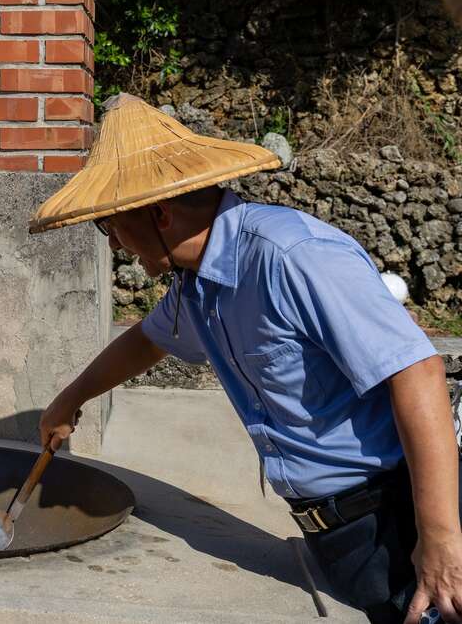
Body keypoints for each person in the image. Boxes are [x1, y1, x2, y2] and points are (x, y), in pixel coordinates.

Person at [31, 94, 462, 624]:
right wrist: (70, 399)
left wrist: (441, 540)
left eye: (111, 225)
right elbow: (147, 340)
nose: (116, 245)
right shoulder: (196, 286)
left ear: (160, 213)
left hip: (400, 515)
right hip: (341, 536)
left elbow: (417, 370)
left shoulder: (291, 256)